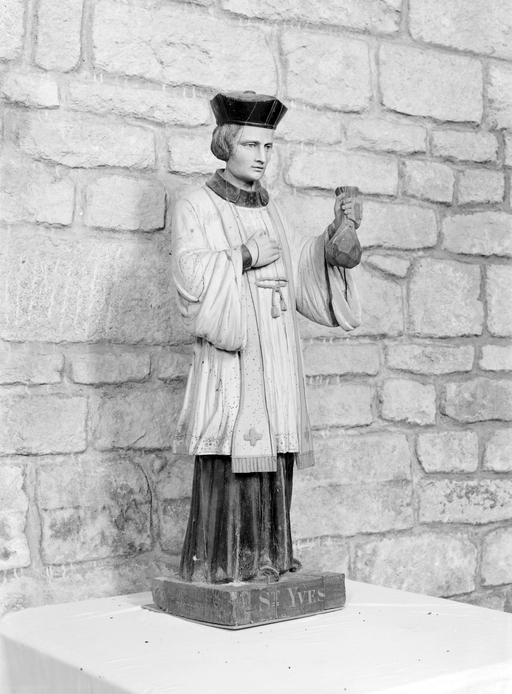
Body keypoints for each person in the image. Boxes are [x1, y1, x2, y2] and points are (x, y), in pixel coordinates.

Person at [171, 91, 362, 584]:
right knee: (232, 451)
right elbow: (189, 276)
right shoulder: (196, 204)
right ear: (225, 145)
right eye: (251, 145)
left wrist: (331, 243)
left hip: (275, 350)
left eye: (269, 147)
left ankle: (270, 556)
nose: (262, 156)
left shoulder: (272, 207)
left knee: (274, 451)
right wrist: (244, 256)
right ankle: (224, 562)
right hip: (234, 358)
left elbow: (298, 265)